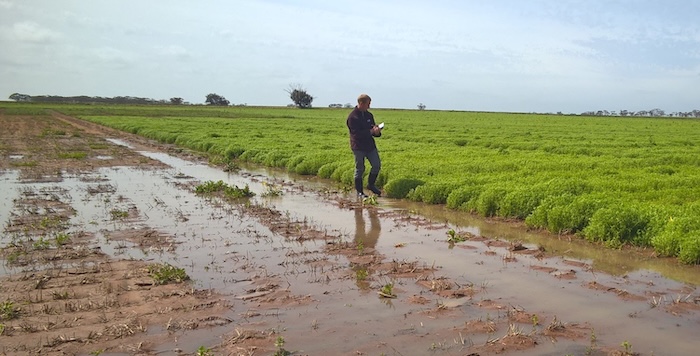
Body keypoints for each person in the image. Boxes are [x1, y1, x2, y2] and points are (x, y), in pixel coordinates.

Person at [347, 94, 382, 197]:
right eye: (368, 104)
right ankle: (360, 192)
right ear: (361, 103)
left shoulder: (369, 115)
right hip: (358, 146)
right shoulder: (352, 117)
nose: (369, 106)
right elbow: (356, 134)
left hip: (370, 146)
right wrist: (371, 131)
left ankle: (371, 185)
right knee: (360, 168)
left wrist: (377, 132)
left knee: (376, 165)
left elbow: (373, 130)